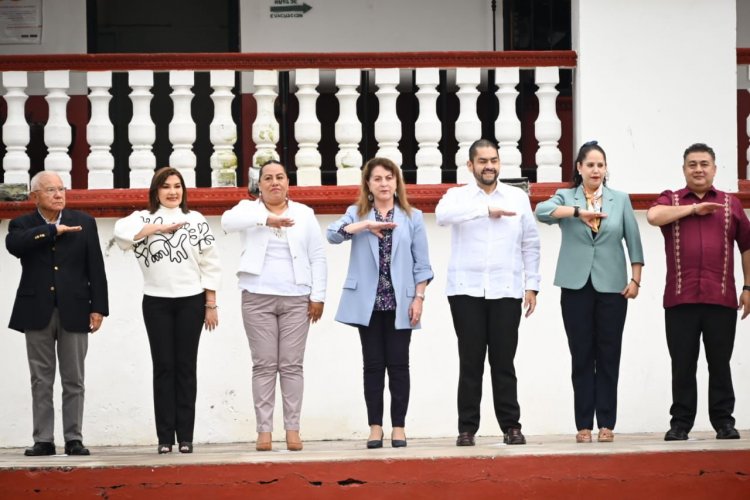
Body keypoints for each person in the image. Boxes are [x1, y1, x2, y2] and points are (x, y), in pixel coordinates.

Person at [535, 141, 644, 443]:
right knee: (581, 355)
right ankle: (583, 423)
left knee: (609, 354)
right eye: (590, 165)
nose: (596, 169)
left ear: (606, 169)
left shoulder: (619, 199)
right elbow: (540, 211)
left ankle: (607, 422)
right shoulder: (566, 197)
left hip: (612, 287)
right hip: (575, 286)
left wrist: (635, 280)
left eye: (600, 165)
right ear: (579, 168)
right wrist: (576, 212)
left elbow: (633, 241)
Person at [435, 139, 539, 447]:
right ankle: (467, 428)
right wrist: (484, 210)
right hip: (465, 290)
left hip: (506, 290)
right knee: (470, 362)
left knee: (504, 362)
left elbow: (530, 243)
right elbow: (442, 216)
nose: (489, 166)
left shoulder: (517, 197)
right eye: (482, 161)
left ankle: (511, 426)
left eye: (493, 160)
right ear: (470, 165)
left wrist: (532, 285)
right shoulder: (457, 196)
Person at [647, 143, 750, 442]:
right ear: (684, 170)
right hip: (681, 299)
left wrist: (747, 286)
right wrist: (693, 209)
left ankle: (724, 423)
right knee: (682, 365)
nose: (698, 169)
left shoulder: (731, 204)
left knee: (720, 363)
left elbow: (746, 246)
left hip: (721, 298)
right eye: (692, 164)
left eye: (704, 164)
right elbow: (653, 217)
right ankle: (680, 423)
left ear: (714, 169)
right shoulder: (672, 199)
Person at [114, 167, 221, 454]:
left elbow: (210, 263)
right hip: (156, 302)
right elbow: (122, 234)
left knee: (186, 367)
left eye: (177, 186)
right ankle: (164, 438)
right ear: (156, 191)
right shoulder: (142, 218)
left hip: (192, 301)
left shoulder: (195, 220)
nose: (173, 191)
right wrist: (158, 228)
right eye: (166, 186)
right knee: (163, 368)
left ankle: (185, 436)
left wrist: (211, 304)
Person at [327, 157, 433, 449]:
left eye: (389, 177)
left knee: (399, 366)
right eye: (377, 178)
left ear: (397, 182)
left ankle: (398, 426)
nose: (384, 183)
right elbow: (332, 235)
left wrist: (419, 298)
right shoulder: (355, 213)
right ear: (368, 185)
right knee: (372, 366)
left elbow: (421, 265)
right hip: (368, 303)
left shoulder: (412, 217)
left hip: (401, 302)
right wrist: (364, 225)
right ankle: (375, 427)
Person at [221, 160, 326, 452]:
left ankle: (293, 429)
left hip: (296, 298)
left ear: (288, 183)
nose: (274, 182)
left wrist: (318, 295)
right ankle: (264, 431)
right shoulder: (248, 210)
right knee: (264, 365)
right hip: (257, 296)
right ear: (260, 184)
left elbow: (317, 256)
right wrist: (265, 220)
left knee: (291, 365)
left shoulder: (304, 214)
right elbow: (227, 222)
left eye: (280, 177)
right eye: (268, 178)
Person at [6, 171, 109, 457]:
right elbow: (15, 245)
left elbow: (96, 268)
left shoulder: (84, 222)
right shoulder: (22, 224)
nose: (58, 195)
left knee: (74, 378)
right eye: (50, 190)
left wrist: (98, 307)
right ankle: (44, 439)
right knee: (41, 378)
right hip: (36, 309)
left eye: (62, 189)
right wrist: (52, 230)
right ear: (34, 196)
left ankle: (73, 437)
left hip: (75, 309)